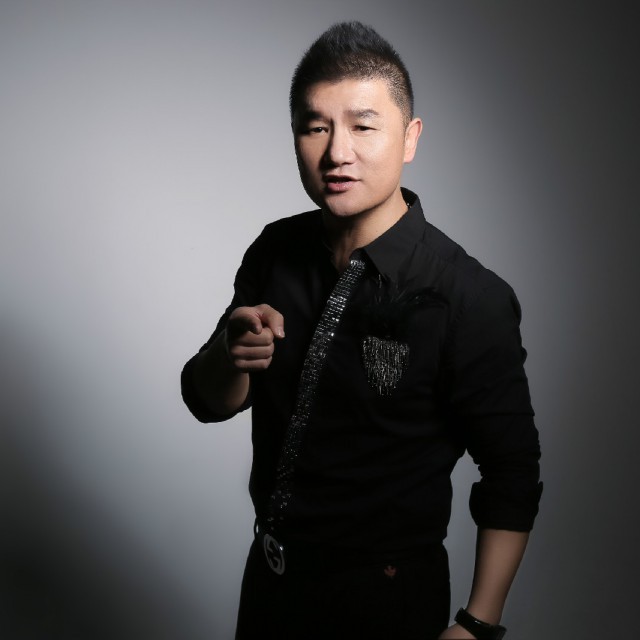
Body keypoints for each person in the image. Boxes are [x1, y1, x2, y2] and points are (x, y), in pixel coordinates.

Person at [181, 21, 542, 640]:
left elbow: (512, 471)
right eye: (315, 127)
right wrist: (230, 353)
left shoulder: (468, 296)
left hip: (386, 598)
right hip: (269, 586)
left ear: (410, 137)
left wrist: (478, 624)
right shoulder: (275, 250)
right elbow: (207, 402)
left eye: (363, 126)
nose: (337, 153)